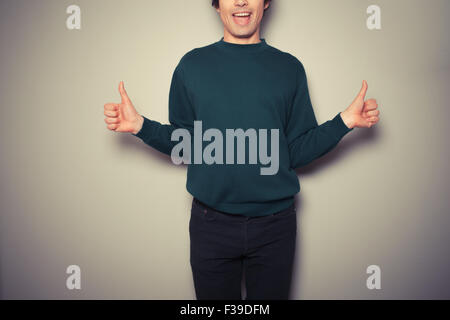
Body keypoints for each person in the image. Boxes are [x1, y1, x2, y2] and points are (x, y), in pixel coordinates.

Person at [103, 0, 380, 300]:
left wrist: (345, 122)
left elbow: (295, 152)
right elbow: (186, 145)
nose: (241, 2)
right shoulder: (191, 66)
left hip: (275, 227)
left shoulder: (289, 69)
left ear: (266, 2)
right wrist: (140, 125)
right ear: (217, 4)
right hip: (211, 226)